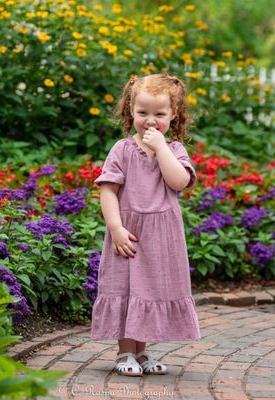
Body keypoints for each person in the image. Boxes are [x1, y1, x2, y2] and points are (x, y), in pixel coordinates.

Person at [91, 73, 200, 376]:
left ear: (173, 115)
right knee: (127, 287)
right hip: (129, 232)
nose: (150, 121)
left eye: (159, 114)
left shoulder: (175, 150)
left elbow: (178, 181)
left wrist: (162, 148)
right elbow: (108, 190)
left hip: (162, 236)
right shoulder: (122, 149)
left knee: (149, 289)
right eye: (143, 113)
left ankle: (141, 352)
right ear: (131, 110)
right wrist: (115, 228)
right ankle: (124, 352)